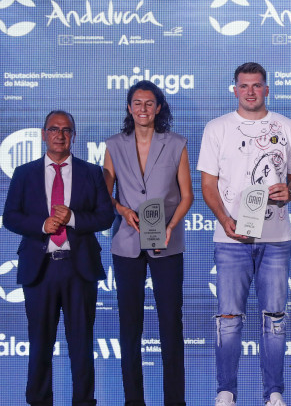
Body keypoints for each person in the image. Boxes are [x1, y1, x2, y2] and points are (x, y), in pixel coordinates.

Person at [198, 62, 291, 406]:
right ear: (234, 89)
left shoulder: (286, 127)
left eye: (257, 85)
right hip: (230, 240)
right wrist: (225, 220)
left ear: (267, 89)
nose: (250, 91)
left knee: (274, 320)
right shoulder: (216, 129)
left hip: (276, 238)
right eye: (244, 86)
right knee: (228, 319)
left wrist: (290, 190)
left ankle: (273, 393)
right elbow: (208, 184)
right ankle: (225, 392)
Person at [3, 110, 115, 406]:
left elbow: (105, 216)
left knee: (81, 345)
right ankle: (39, 401)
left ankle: (84, 402)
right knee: (40, 345)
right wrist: (42, 225)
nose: (60, 135)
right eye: (54, 129)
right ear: (44, 134)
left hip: (79, 270)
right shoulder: (24, 173)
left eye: (66, 130)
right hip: (39, 271)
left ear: (73, 136)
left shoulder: (91, 172)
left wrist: (74, 218)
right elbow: (10, 217)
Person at [102, 80, 193, 406]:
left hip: (167, 241)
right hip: (126, 241)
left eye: (149, 103)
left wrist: (170, 226)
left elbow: (187, 196)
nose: (143, 108)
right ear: (129, 108)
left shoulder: (176, 143)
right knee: (130, 324)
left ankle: (175, 401)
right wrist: (122, 209)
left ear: (158, 108)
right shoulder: (113, 145)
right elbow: (106, 194)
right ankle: (133, 401)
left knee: (171, 322)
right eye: (137, 103)